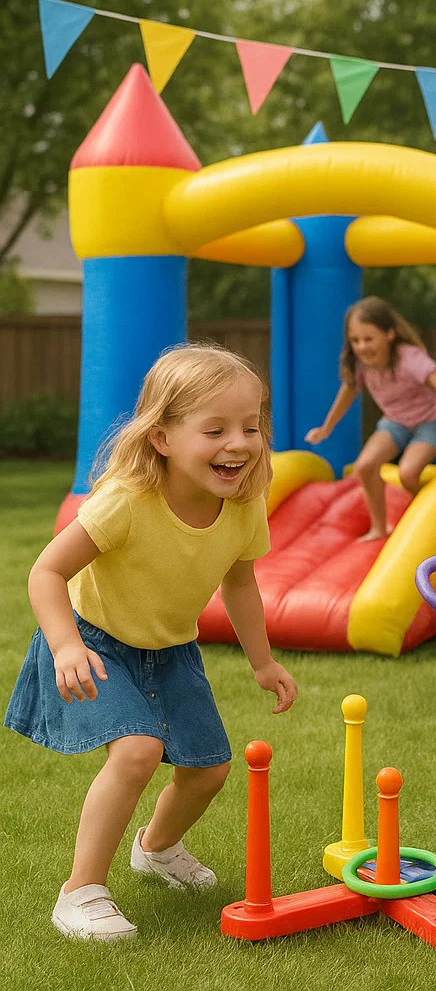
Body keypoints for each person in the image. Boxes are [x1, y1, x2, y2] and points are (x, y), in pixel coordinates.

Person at [6, 345, 298, 941]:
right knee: (137, 751)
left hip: (171, 651)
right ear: (162, 437)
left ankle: (157, 848)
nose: (238, 444)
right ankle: (80, 892)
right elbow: (46, 571)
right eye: (214, 430)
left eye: (250, 427)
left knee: (209, 768)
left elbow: (241, 583)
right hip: (96, 642)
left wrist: (263, 662)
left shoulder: (244, 505)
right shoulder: (127, 500)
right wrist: (66, 647)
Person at [306, 296, 436, 541]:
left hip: (431, 421)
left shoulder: (409, 358)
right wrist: (326, 428)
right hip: (396, 422)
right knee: (365, 466)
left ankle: (432, 512)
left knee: (407, 474)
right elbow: (347, 392)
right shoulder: (360, 364)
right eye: (355, 340)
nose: (362, 347)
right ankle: (379, 528)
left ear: (389, 334)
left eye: (369, 339)